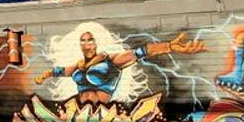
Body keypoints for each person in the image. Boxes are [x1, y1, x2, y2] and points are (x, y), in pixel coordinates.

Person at [35, 30, 204, 105]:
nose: (87, 44)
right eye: (83, 40)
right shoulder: (78, 66)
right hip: (80, 116)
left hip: (104, 113)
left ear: (96, 42)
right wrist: (45, 75)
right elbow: (60, 71)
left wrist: (168, 46)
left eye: (90, 39)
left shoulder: (111, 61)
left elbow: (140, 52)